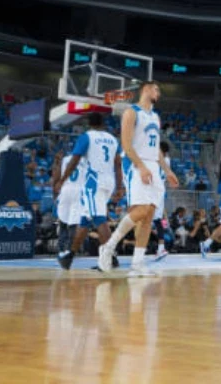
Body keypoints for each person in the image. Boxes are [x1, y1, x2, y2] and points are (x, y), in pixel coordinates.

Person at [97, 81, 179, 276]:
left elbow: (156, 147)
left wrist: (167, 170)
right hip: (135, 164)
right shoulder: (131, 112)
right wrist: (141, 167)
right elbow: (125, 144)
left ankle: (137, 263)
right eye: (156, 89)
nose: (159, 92)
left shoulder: (156, 117)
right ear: (146, 89)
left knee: (149, 215)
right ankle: (108, 247)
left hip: (152, 164)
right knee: (141, 210)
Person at [56, 112, 123, 270]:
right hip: (109, 181)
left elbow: (74, 160)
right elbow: (118, 164)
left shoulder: (87, 137)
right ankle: (69, 257)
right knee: (85, 220)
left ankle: (111, 258)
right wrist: (120, 187)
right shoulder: (113, 139)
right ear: (103, 124)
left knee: (99, 219)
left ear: (89, 124)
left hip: (94, 182)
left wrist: (63, 179)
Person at [52, 150, 85, 263]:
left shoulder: (65, 159)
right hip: (78, 191)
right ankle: (68, 251)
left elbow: (56, 175)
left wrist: (55, 191)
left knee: (63, 221)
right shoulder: (86, 160)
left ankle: (61, 250)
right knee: (73, 223)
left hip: (65, 189)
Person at [152, 140, 172, 261]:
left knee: (153, 219)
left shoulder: (157, 159)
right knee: (157, 220)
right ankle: (161, 247)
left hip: (154, 190)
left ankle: (160, 248)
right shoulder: (167, 160)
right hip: (160, 190)